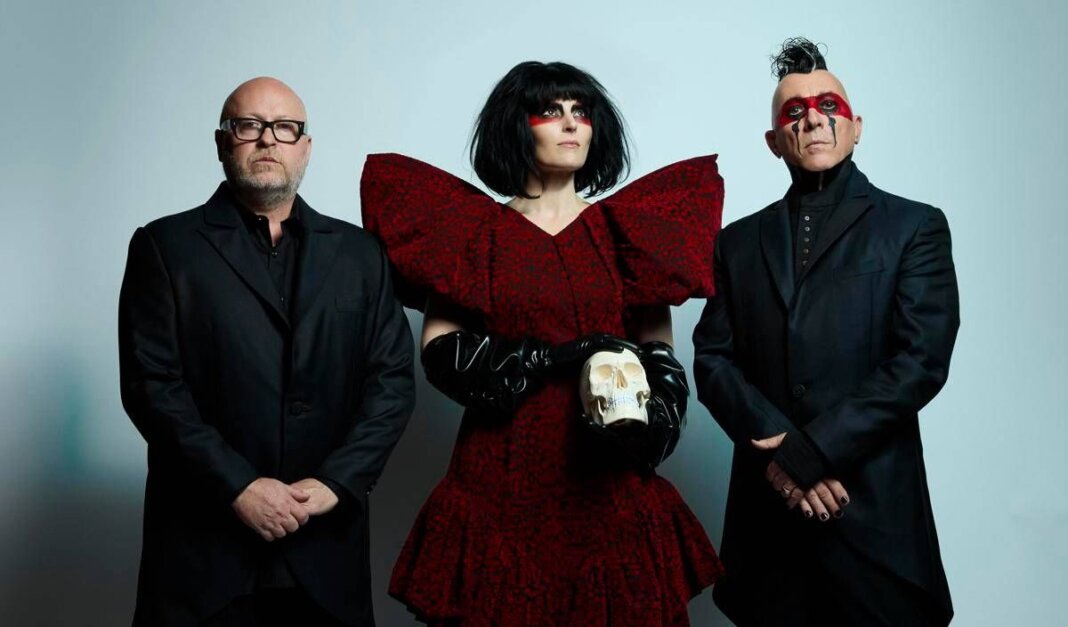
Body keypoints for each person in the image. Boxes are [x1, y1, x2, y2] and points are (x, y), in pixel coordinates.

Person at [360, 61, 724, 626]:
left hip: (607, 479)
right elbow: (440, 352)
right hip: (501, 474)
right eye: (551, 111)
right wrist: (552, 358)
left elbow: (662, 356)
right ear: (516, 126)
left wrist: (651, 426)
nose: (572, 124)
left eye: (581, 112)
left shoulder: (626, 232)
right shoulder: (473, 233)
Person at [118, 77, 415, 626]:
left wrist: (335, 482)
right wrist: (239, 486)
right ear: (222, 142)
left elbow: (392, 383)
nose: (268, 139)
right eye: (248, 125)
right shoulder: (164, 247)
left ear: (306, 146)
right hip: (203, 558)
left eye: (285, 128)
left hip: (325, 553)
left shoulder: (361, 254)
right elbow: (151, 386)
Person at [692, 38, 959, 626]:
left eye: (829, 105)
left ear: (856, 127)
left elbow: (921, 360)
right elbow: (712, 359)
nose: (813, 118)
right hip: (769, 527)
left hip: (874, 516)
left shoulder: (914, 227)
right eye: (795, 111)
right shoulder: (736, 243)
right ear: (774, 141)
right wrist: (782, 453)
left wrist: (812, 453)